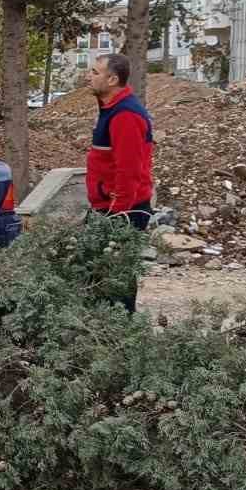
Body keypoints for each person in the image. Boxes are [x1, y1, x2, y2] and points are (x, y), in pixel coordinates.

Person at [83, 54, 155, 313]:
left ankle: (120, 330)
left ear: (112, 79)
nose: (88, 76)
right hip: (106, 208)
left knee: (117, 277)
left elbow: (129, 171)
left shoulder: (125, 115)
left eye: (95, 72)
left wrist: (117, 216)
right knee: (99, 275)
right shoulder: (110, 110)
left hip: (122, 212)